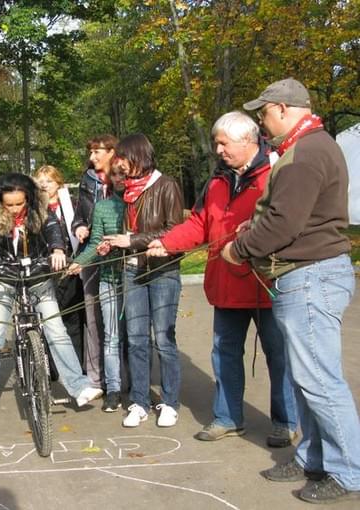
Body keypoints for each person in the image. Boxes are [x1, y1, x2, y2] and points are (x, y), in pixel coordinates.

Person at [222, 78, 360, 504]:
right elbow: (288, 215)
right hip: (306, 275)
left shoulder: (305, 153)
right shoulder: (309, 146)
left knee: (320, 381)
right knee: (307, 379)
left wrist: (239, 248)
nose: (262, 121)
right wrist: (255, 227)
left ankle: (348, 471)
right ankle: (312, 458)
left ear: (283, 108)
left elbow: (285, 224)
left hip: (310, 277)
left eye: (263, 113)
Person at [148, 111, 298, 447]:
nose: (218, 149)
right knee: (225, 354)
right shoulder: (216, 182)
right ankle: (228, 418)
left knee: (280, 357)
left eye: (223, 143)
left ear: (248, 141)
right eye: (216, 143)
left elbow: (285, 224)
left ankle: (286, 422)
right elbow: (199, 224)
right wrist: (166, 243)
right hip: (226, 285)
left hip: (268, 284)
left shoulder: (276, 174)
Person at [0, 173, 103, 415]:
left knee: (56, 330)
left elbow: (53, 230)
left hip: (37, 275)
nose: (16, 209)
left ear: (28, 198)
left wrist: (57, 250)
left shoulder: (39, 210)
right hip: (5, 275)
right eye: (9, 204)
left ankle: (78, 388)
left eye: (20, 203)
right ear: (0, 202)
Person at [100, 134, 184, 428]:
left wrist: (131, 240)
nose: (118, 163)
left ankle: (170, 402)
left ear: (138, 156)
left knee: (163, 339)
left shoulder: (166, 185)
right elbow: (126, 231)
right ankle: (139, 402)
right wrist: (113, 243)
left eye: (122, 157)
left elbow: (175, 232)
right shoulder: (125, 191)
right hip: (131, 271)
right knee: (135, 340)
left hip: (163, 271)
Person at [67, 162, 129, 412]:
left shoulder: (138, 202)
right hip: (109, 278)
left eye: (122, 174)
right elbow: (95, 243)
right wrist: (79, 262)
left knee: (136, 337)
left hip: (136, 279)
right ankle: (113, 389)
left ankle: (138, 387)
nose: (119, 178)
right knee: (111, 336)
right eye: (114, 175)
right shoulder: (103, 207)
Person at [72, 134, 118, 388]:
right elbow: (79, 213)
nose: (92, 158)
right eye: (90, 152)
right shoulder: (87, 179)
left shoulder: (124, 176)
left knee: (118, 318)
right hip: (90, 252)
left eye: (97, 152)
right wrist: (78, 226)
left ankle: (122, 377)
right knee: (93, 316)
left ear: (112, 152)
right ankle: (95, 377)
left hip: (117, 254)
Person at [34, 165, 85, 364]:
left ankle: (77, 364)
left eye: (49, 181)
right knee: (48, 319)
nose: (44, 185)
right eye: (41, 181)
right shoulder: (34, 207)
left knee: (72, 319)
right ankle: (51, 366)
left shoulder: (71, 205)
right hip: (44, 270)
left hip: (71, 268)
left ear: (59, 183)